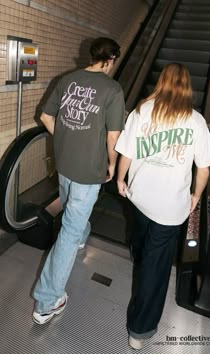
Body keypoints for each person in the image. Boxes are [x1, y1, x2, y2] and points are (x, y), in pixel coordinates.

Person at [115, 63, 210, 350]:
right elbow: (204, 169)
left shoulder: (143, 111)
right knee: (156, 267)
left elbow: (127, 150)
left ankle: (139, 256)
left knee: (141, 244)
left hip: (140, 199)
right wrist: (196, 196)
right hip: (170, 208)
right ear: (188, 87)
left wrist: (120, 179)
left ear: (161, 82)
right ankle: (139, 330)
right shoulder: (196, 121)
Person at [32, 37, 125, 325]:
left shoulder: (68, 79)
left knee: (73, 213)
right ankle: (47, 301)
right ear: (110, 60)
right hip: (88, 171)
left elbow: (46, 116)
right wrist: (112, 163)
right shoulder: (112, 89)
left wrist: (63, 137)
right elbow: (113, 136)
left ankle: (80, 238)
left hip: (65, 164)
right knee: (69, 230)